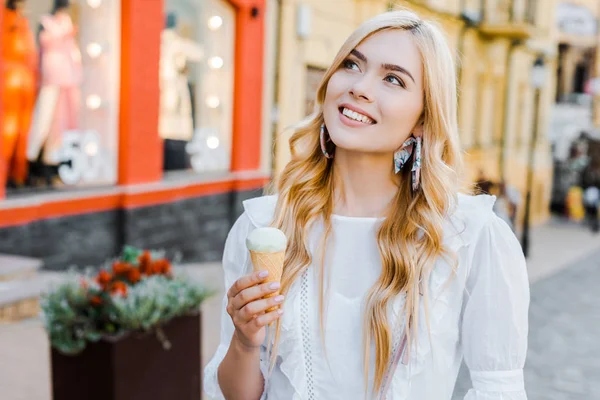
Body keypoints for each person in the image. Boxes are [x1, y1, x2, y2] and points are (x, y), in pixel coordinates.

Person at [204, 10, 529, 400]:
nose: (359, 87)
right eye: (352, 64)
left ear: (423, 119)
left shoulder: (466, 236)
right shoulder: (264, 228)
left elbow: (499, 389)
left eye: (393, 78)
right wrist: (244, 341)